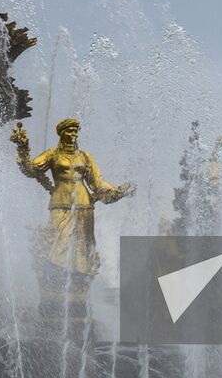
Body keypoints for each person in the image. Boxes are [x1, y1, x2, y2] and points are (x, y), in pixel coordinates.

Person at [10, 118, 134, 275]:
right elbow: (31, 170)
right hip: (60, 203)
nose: (73, 133)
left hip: (84, 205)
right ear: (62, 133)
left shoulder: (85, 157)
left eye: (76, 130)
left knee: (83, 245)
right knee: (56, 241)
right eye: (70, 130)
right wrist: (23, 148)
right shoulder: (52, 154)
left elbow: (97, 183)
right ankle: (55, 274)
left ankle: (79, 278)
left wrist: (115, 190)